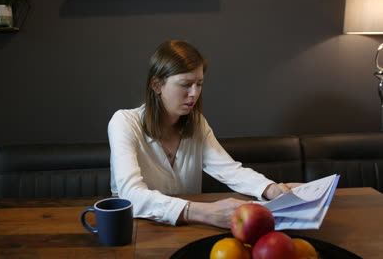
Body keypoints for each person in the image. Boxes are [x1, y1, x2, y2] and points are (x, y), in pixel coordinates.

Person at [107, 40, 300, 229]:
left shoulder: (197, 123)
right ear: (157, 85)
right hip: (136, 231)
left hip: (187, 230)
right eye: (185, 84)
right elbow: (130, 195)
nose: (194, 93)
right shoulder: (123, 123)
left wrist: (271, 189)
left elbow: (230, 171)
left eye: (199, 84)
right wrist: (206, 212)